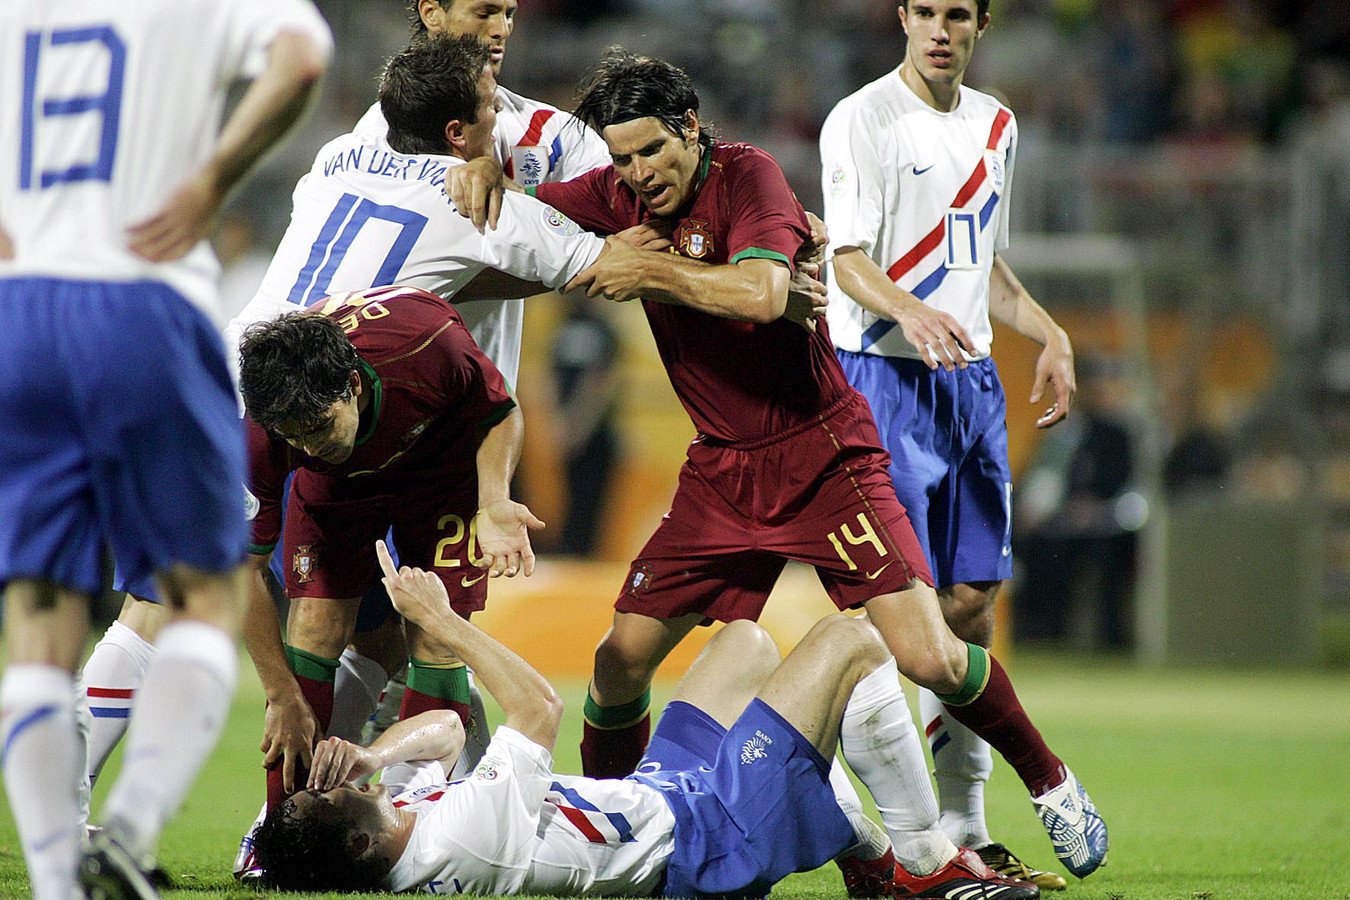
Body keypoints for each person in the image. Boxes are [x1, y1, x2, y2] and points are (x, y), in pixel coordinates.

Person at [452, 47, 1107, 887]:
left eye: (652, 150)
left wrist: (647, 267)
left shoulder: (748, 177)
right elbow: (518, 226)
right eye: (622, 158)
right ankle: (619, 831)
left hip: (821, 455)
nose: (638, 174)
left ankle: (1051, 783)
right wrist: (484, 171)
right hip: (722, 472)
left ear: (691, 128)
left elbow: (763, 296)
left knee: (931, 657)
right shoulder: (615, 196)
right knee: (618, 662)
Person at [79, 0, 614, 813]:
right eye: (483, 10)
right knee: (182, 601)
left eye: (508, 9)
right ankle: (103, 800)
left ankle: (314, 818)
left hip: (346, 404)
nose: (501, 25)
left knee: (373, 632)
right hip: (333, 399)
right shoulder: (469, 182)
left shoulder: (349, 147)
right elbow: (599, 254)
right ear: (430, 15)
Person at [0, 1, 331, 898]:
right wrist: (212, 180)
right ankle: (134, 828)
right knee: (207, 592)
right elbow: (303, 55)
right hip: (140, 297)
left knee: (39, 613)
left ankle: (56, 879)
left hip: (20, 310)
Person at [251, 539, 1040, 899]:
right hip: (709, 838)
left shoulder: (400, 831)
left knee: (744, 642)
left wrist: (371, 754)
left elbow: (450, 733)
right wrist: (441, 620)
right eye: (333, 795)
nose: (338, 782)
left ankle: (862, 853)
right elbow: (539, 706)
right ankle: (923, 863)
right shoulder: (460, 843)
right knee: (852, 639)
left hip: (665, 793)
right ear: (358, 844)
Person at [818, 0, 1082, 885]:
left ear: (982, 24)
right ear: (901, 16)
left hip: (970, 388)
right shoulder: (861, 119)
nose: (939, 29)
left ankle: (971, 826)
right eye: (924, 10)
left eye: (956, 13)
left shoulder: (997, 124)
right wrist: (910, 309)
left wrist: (1048, 331)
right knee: (895, 619)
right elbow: (847, 259)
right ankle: (903, 841)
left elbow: (982, 263)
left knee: (970, 606)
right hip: (882, 381)